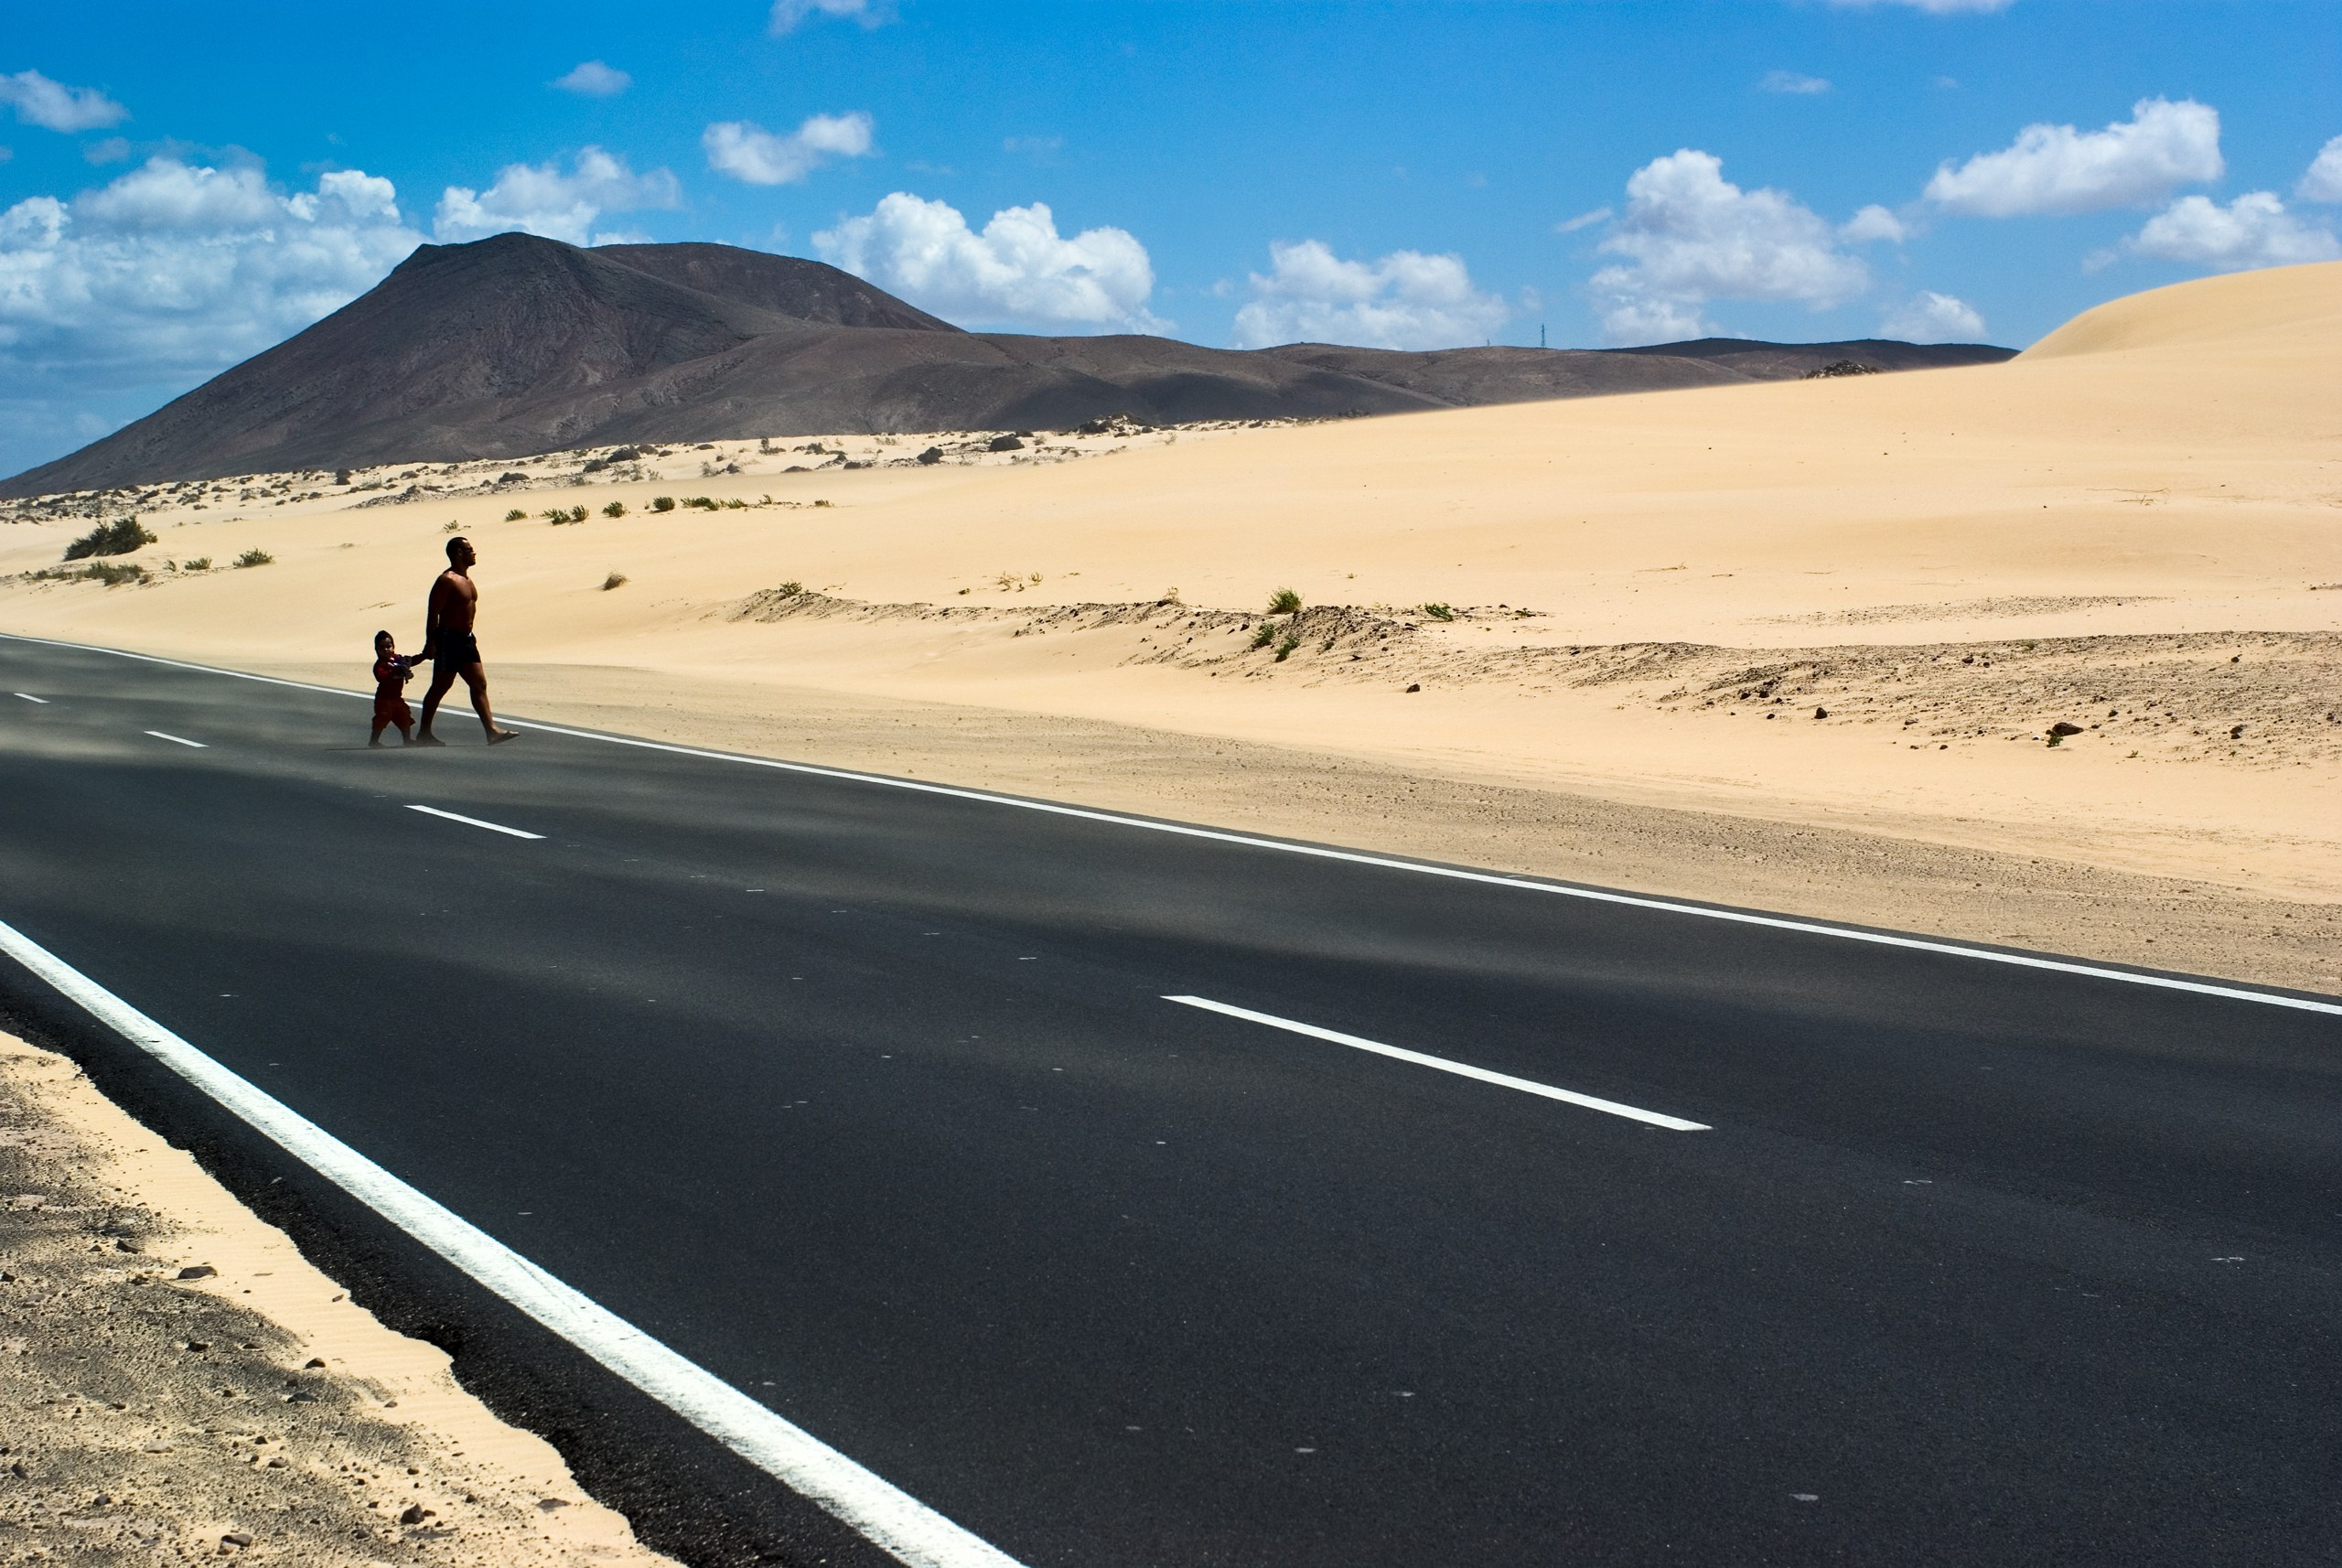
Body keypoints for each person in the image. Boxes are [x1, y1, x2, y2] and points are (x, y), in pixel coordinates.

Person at [415, 535, 516, 746]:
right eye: (470, 549)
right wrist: (430, 643)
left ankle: (492, 731)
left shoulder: (468, 580)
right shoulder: (447, 580)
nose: (474, 553)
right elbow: (433, 612)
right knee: (441, 686)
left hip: (467, 640)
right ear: (459, 553)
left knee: (479, 684)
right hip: (448, 639)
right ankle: (424, 733)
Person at [369, 629, 419, 746]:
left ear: (393, 647)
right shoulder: (380, 665)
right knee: (382, 718)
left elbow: (410, 661)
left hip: (397, 698)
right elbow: (381, 677)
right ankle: (374, 741)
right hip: (383, 699)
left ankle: (407, 740)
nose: (386, 649)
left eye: (389, 646)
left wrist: (424, 656)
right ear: (377, 650)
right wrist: (394, 672)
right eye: (382, 647)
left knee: (404, 716)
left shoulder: (397, 660)